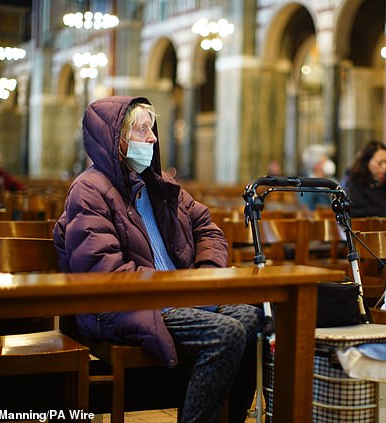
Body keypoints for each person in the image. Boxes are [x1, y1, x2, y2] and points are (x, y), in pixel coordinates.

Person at [53, 96, 264, 423]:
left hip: (179, 298)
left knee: (252, 318)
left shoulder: (159, 184)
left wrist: (205, 275)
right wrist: (174, 289)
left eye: (152, 130)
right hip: (127, 305)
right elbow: (103, 270)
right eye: (141, 131)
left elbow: (208, 228)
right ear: (116, 140)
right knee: (227, 332)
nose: (152, 138)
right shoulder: (89, 190)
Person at [343, 140, 386, 218]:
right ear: (366, 162)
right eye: (380, 163)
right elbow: (360, 211)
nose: (384, 167)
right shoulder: (354, 181)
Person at [297, 144, 337, 211]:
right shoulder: (306, 184)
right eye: (325, 160)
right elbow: (305, 209)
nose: (328, 163)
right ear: (317, 165)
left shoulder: (329, 181)